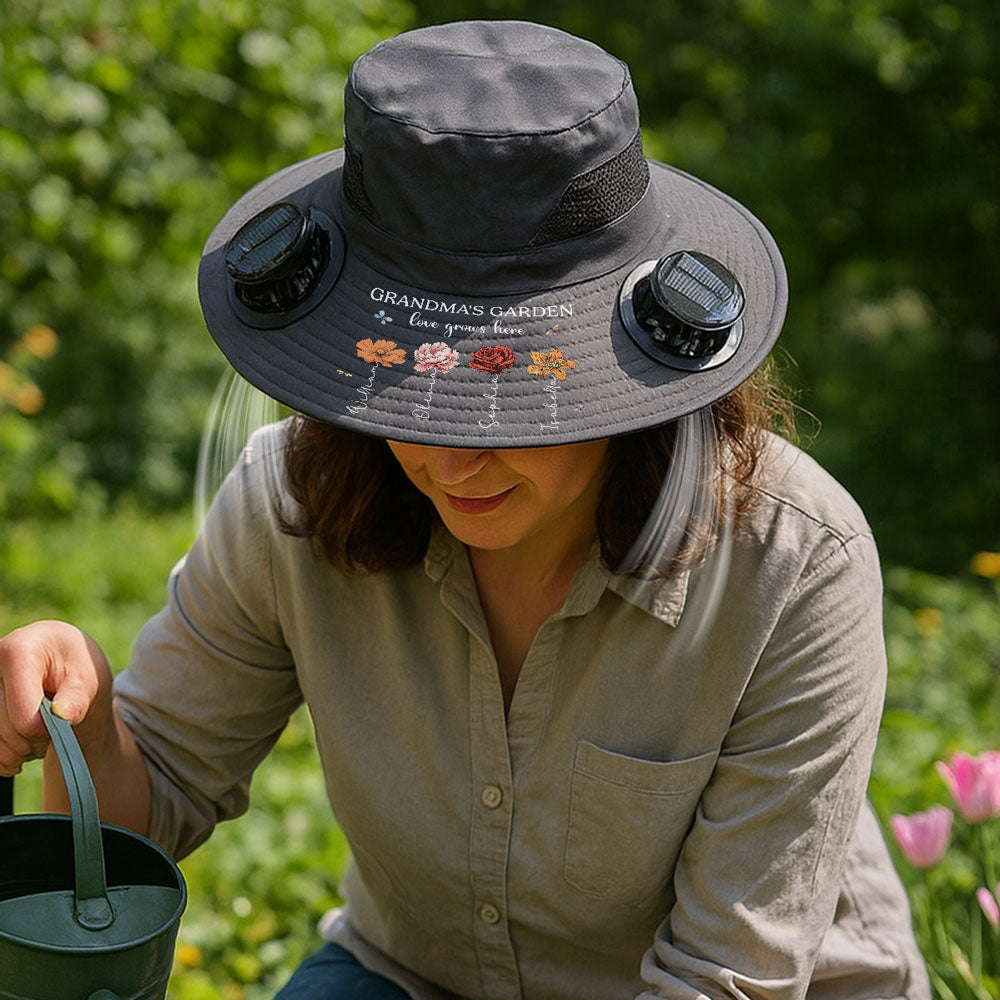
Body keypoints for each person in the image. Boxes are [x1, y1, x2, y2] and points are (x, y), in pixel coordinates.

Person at [0, 20, 929, 1000]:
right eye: (407, 395)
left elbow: (720, 979)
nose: (446, 459)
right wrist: (91, 719)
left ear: (636, 381)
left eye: (518, 407)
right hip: (416, 973)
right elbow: (149, 813)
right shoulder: (293, 504)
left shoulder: (792, 559)